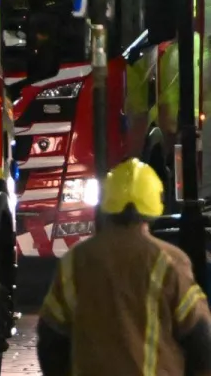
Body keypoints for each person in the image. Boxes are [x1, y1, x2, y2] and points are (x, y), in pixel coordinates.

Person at [38, 158, 211, 376]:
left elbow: (50, 339)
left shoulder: (75, 260)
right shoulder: (170, 261)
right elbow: (201, 340)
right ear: (154, 205)